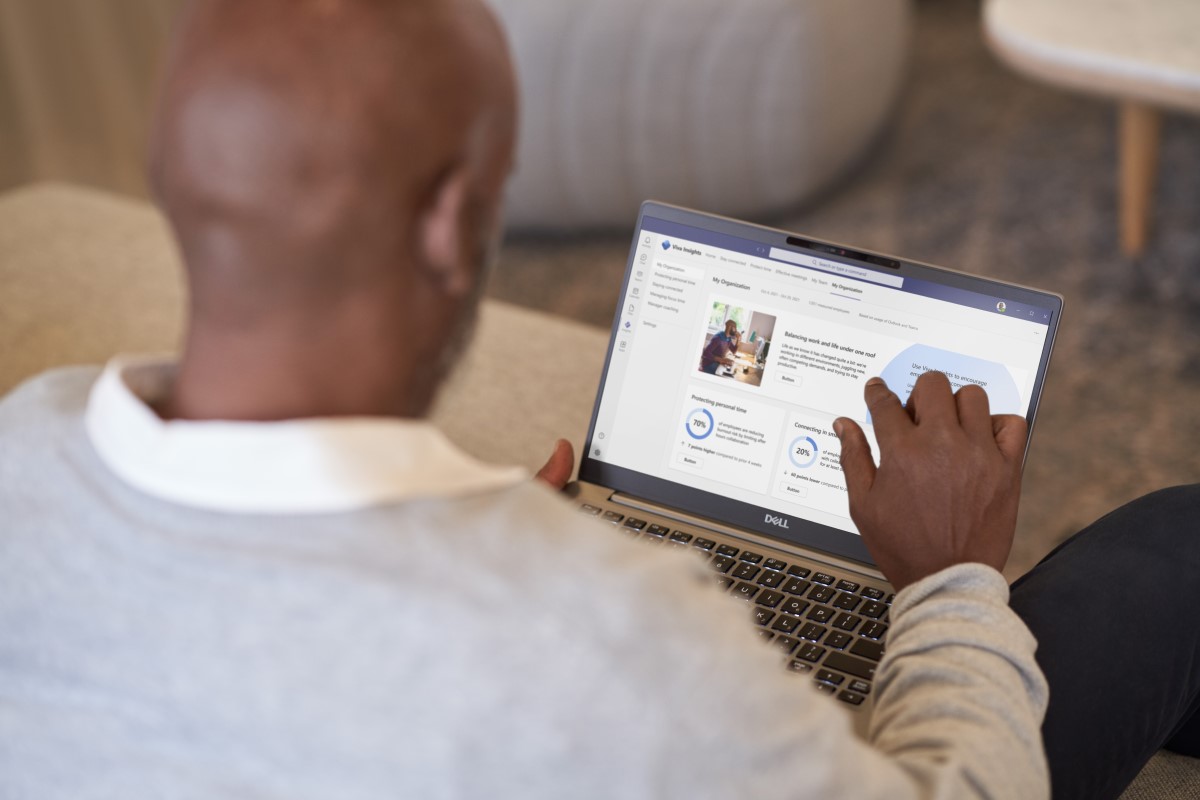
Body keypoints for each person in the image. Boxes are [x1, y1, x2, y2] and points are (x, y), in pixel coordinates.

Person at [0, 1, 1198, 798]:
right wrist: (949, 579)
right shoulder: (601, 635)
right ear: (452, 217)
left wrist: (481, 536)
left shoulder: (25, 450)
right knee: (1176, 550)